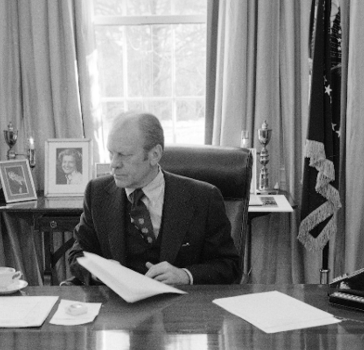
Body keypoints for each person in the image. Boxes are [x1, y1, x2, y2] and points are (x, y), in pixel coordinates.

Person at [67, 111, 241, 285]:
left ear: (154, 155)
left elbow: (229, 266)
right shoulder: (97, 193)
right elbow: (77, 254)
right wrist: (100, 271)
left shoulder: (204, 198)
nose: (114, 164)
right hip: (117, 305)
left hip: (180, 305)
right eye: (111, 153)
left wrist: (185, 275)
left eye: (124, 155)